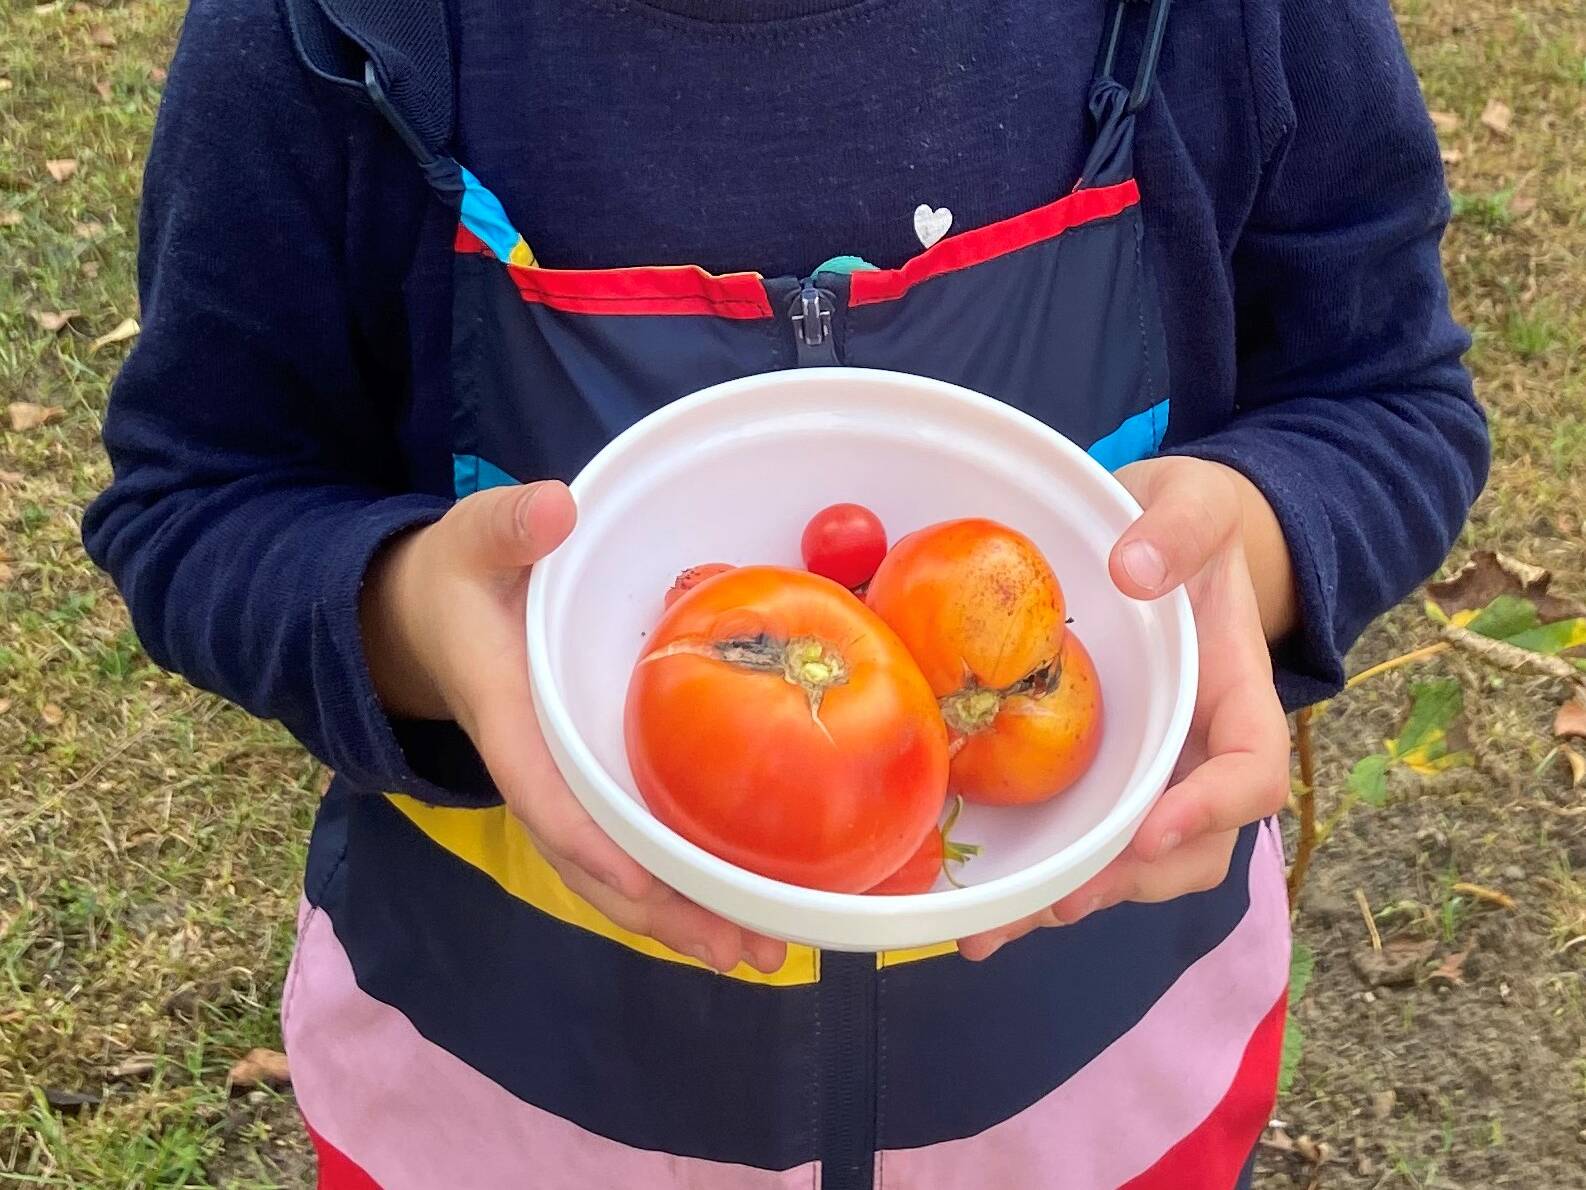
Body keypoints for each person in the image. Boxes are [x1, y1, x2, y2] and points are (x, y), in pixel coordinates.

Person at [83, 0, 1488, 1185]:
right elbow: (199, 497)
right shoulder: (330, 31)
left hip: (1105, 1099)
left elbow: (1385, 395)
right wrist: (406, 618)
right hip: (505, 1105)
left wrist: (1242, 548)